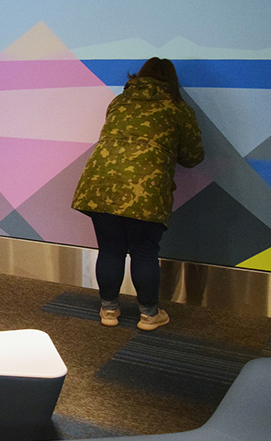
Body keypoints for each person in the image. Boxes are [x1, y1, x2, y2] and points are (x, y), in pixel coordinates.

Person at [72, 57, 203, 331]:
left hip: (100, 181)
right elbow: (193, 157)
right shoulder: (178, 108)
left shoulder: (120, 102)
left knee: (110, 248)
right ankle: (148, 315)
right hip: (145, 188)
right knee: (144, 251)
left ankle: (108, 310)